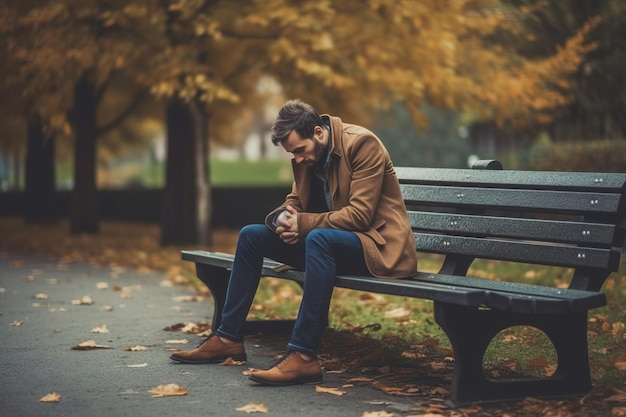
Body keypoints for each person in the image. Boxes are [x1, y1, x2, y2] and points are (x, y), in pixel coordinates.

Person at [170, 99, 417, 386]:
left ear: (319, 133)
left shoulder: (362, 145)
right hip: (327, 242)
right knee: (251, 235)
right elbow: (295, 202)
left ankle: (303, 356)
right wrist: (284, 221)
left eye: (300, 150)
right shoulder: (308, 157)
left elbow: (360, 216)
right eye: (292, 154)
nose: (297, 159)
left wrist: (303, 224)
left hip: (378, 247)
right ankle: (228, 338)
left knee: (319, 238)